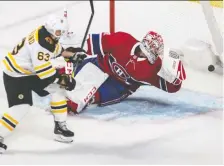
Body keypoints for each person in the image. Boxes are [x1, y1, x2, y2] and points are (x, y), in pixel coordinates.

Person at [0, 15, 79, 154]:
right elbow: (45, 74)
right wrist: (65, 80)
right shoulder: (41, 44)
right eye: (59, 32)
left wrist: (70, 54)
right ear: (51, 30)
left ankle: (60, 128)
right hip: (16, 75)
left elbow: (55, 50)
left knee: (58, 90)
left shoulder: (45, 33)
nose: (60, 34)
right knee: (22, 107)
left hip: (29, 72)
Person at [60, 31, 186, 114]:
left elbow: (172, 87)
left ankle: (86, 96)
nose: (155, 56)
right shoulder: (122, 40)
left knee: (87, 99)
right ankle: (60, 72)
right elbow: (90, 43)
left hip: (120, 86)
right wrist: (71, 51)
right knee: (69, 74)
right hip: (100, 65)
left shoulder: (153, 68)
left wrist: (175, 76)